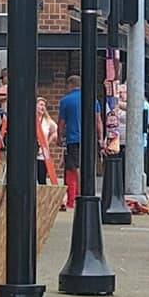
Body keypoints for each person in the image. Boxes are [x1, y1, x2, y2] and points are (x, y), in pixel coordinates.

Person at [56, 75, 104, 209]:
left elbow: (61, 122)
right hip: (89, 140)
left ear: (70, 85)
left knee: (75, 167)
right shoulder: (92, 100)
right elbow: (98, 121)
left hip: (73, 138)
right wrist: (100, 138)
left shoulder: (65, 101)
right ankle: (86, 190)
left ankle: (80, 193)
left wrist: (59, 137)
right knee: (87, 165)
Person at [35, 96, 58, 185]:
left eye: (44, 105)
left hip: (42, 154)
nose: (43, 107)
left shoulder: (47, 121)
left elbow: (56, 131)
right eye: (40, 105)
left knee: (42, 179)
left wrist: (48, 141)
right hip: (30, 154)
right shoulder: (29, 119)